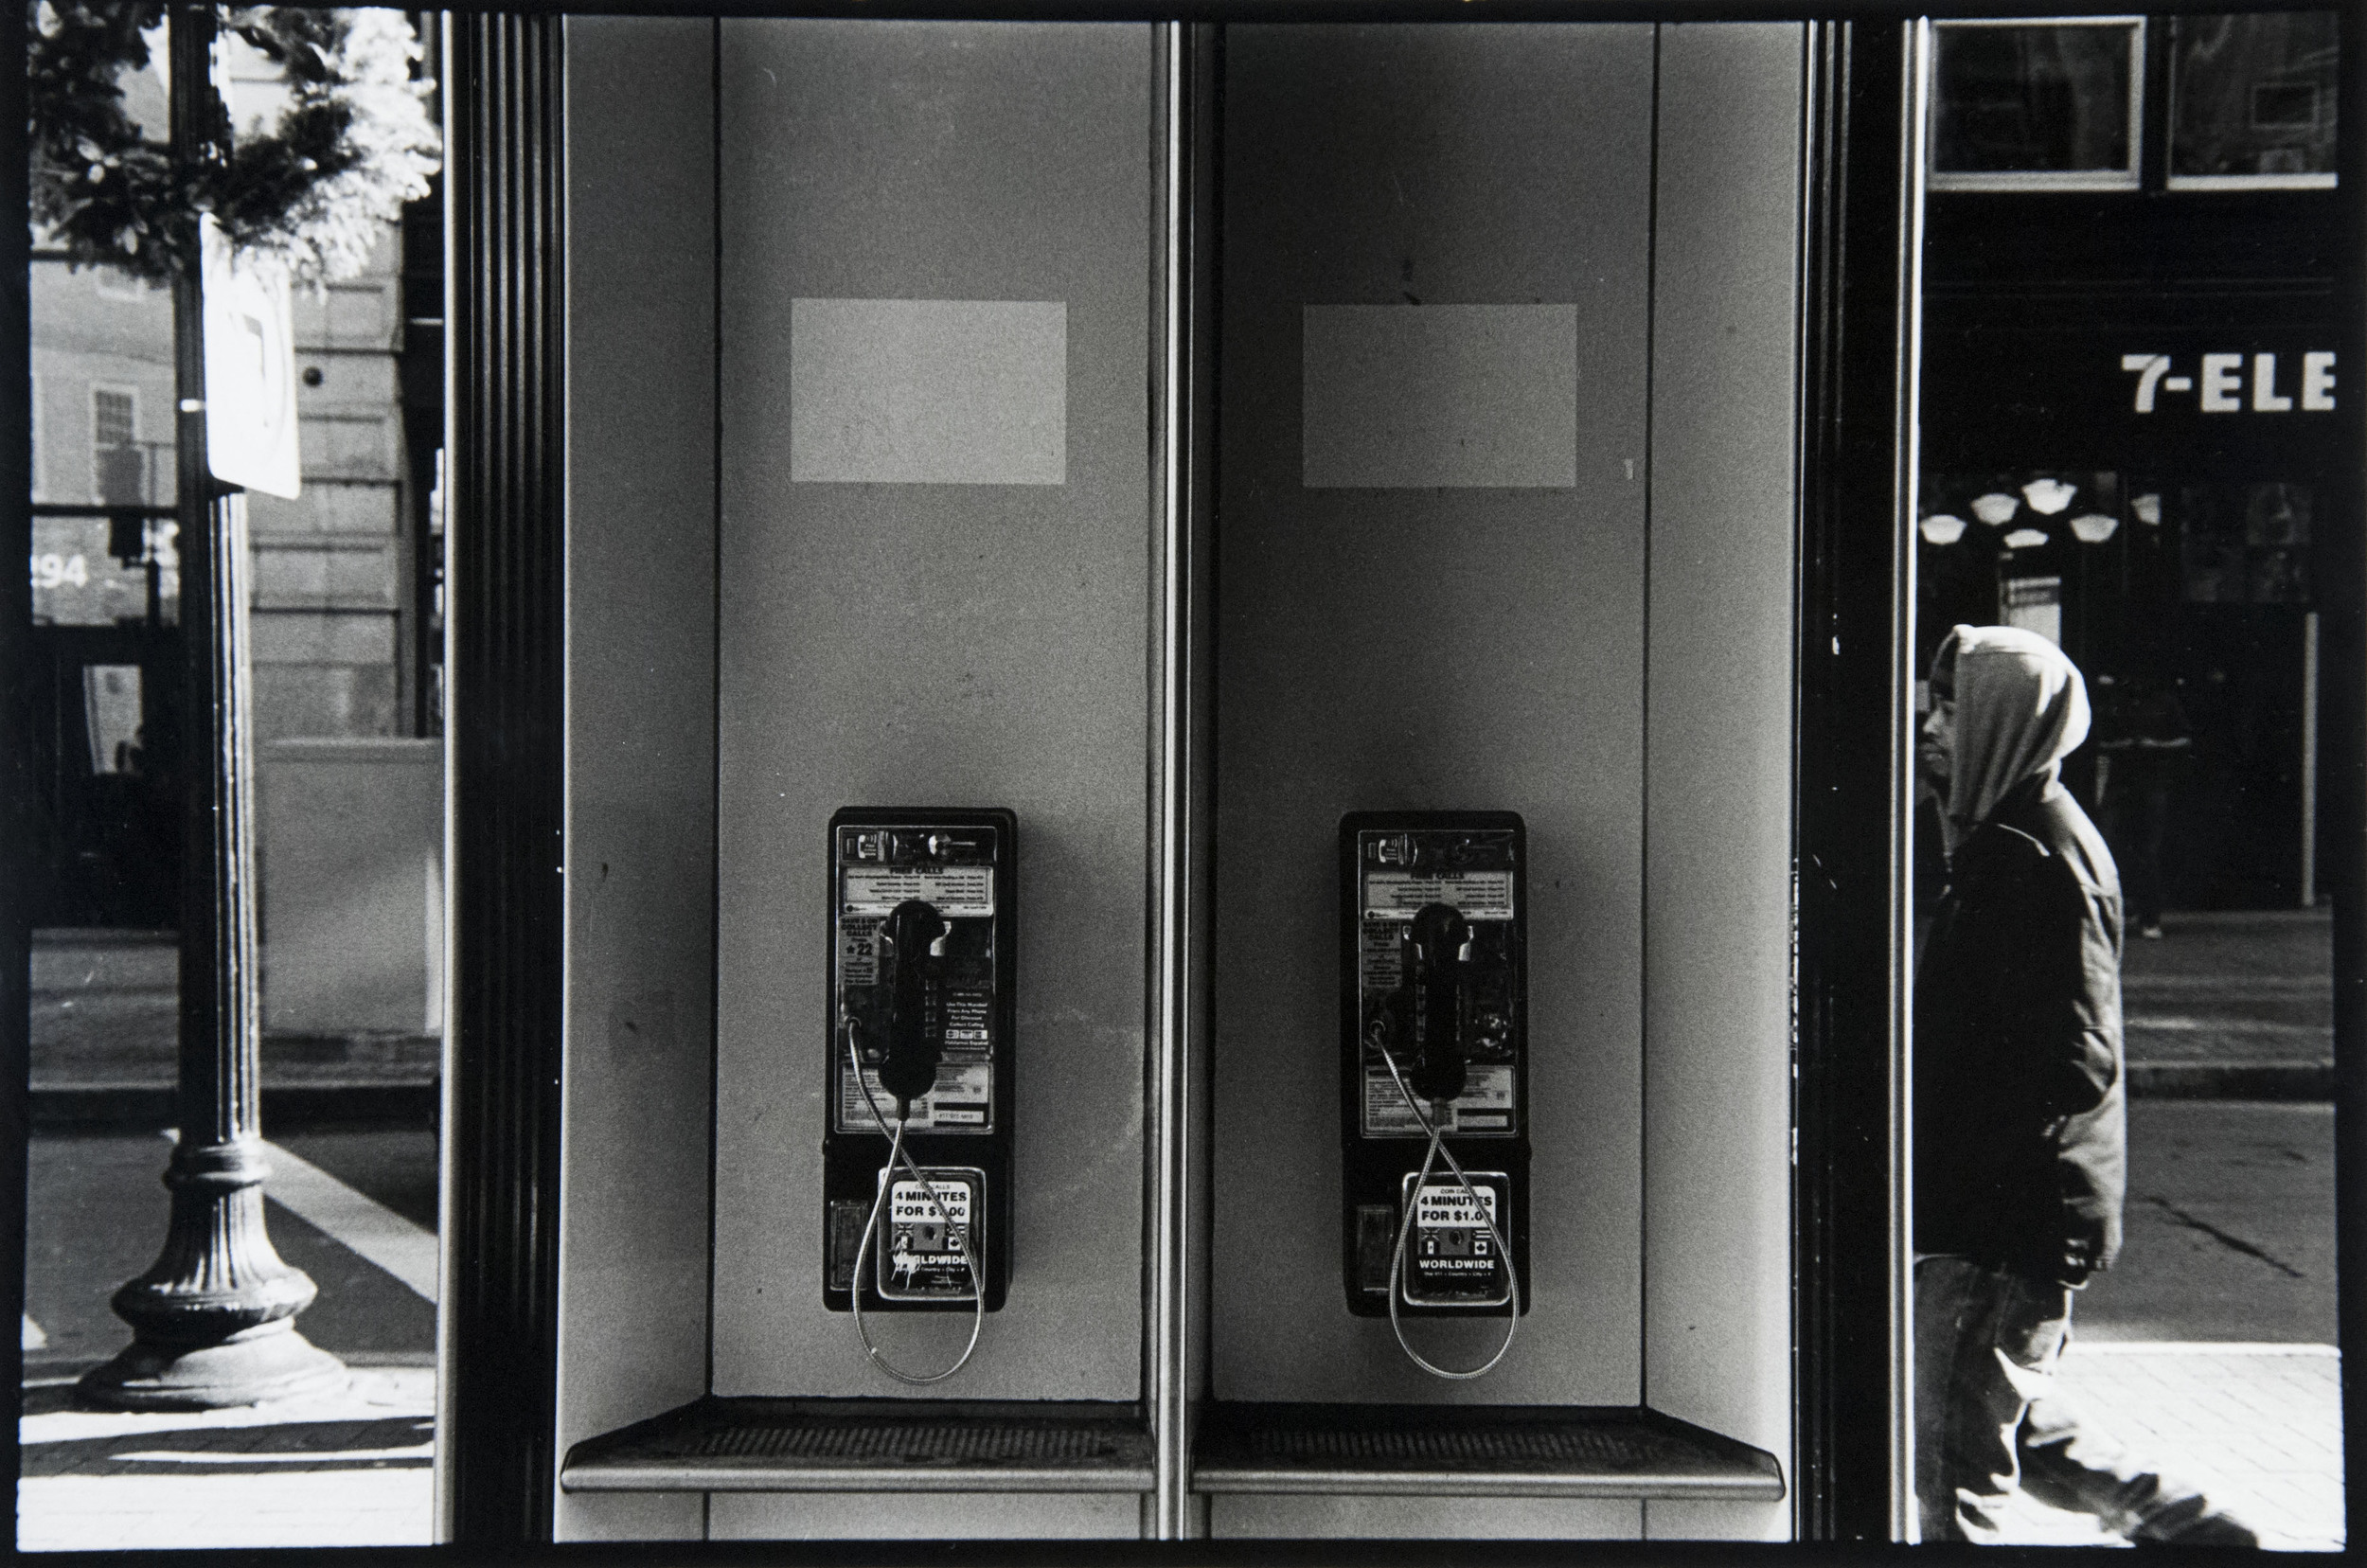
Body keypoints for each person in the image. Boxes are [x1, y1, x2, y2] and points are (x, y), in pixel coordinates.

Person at [1913, 625, 2255, 1546]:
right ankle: (2193, 1530)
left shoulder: (2031, 856)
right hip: (2008, 1212)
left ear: (2003, 722)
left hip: (1996, 1220)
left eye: (1949, 708)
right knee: (2011, 1426)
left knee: (1953, 1480)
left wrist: (1949, 1158)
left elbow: (2072, 1058)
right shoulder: (2015, 835)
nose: (1927, 726)